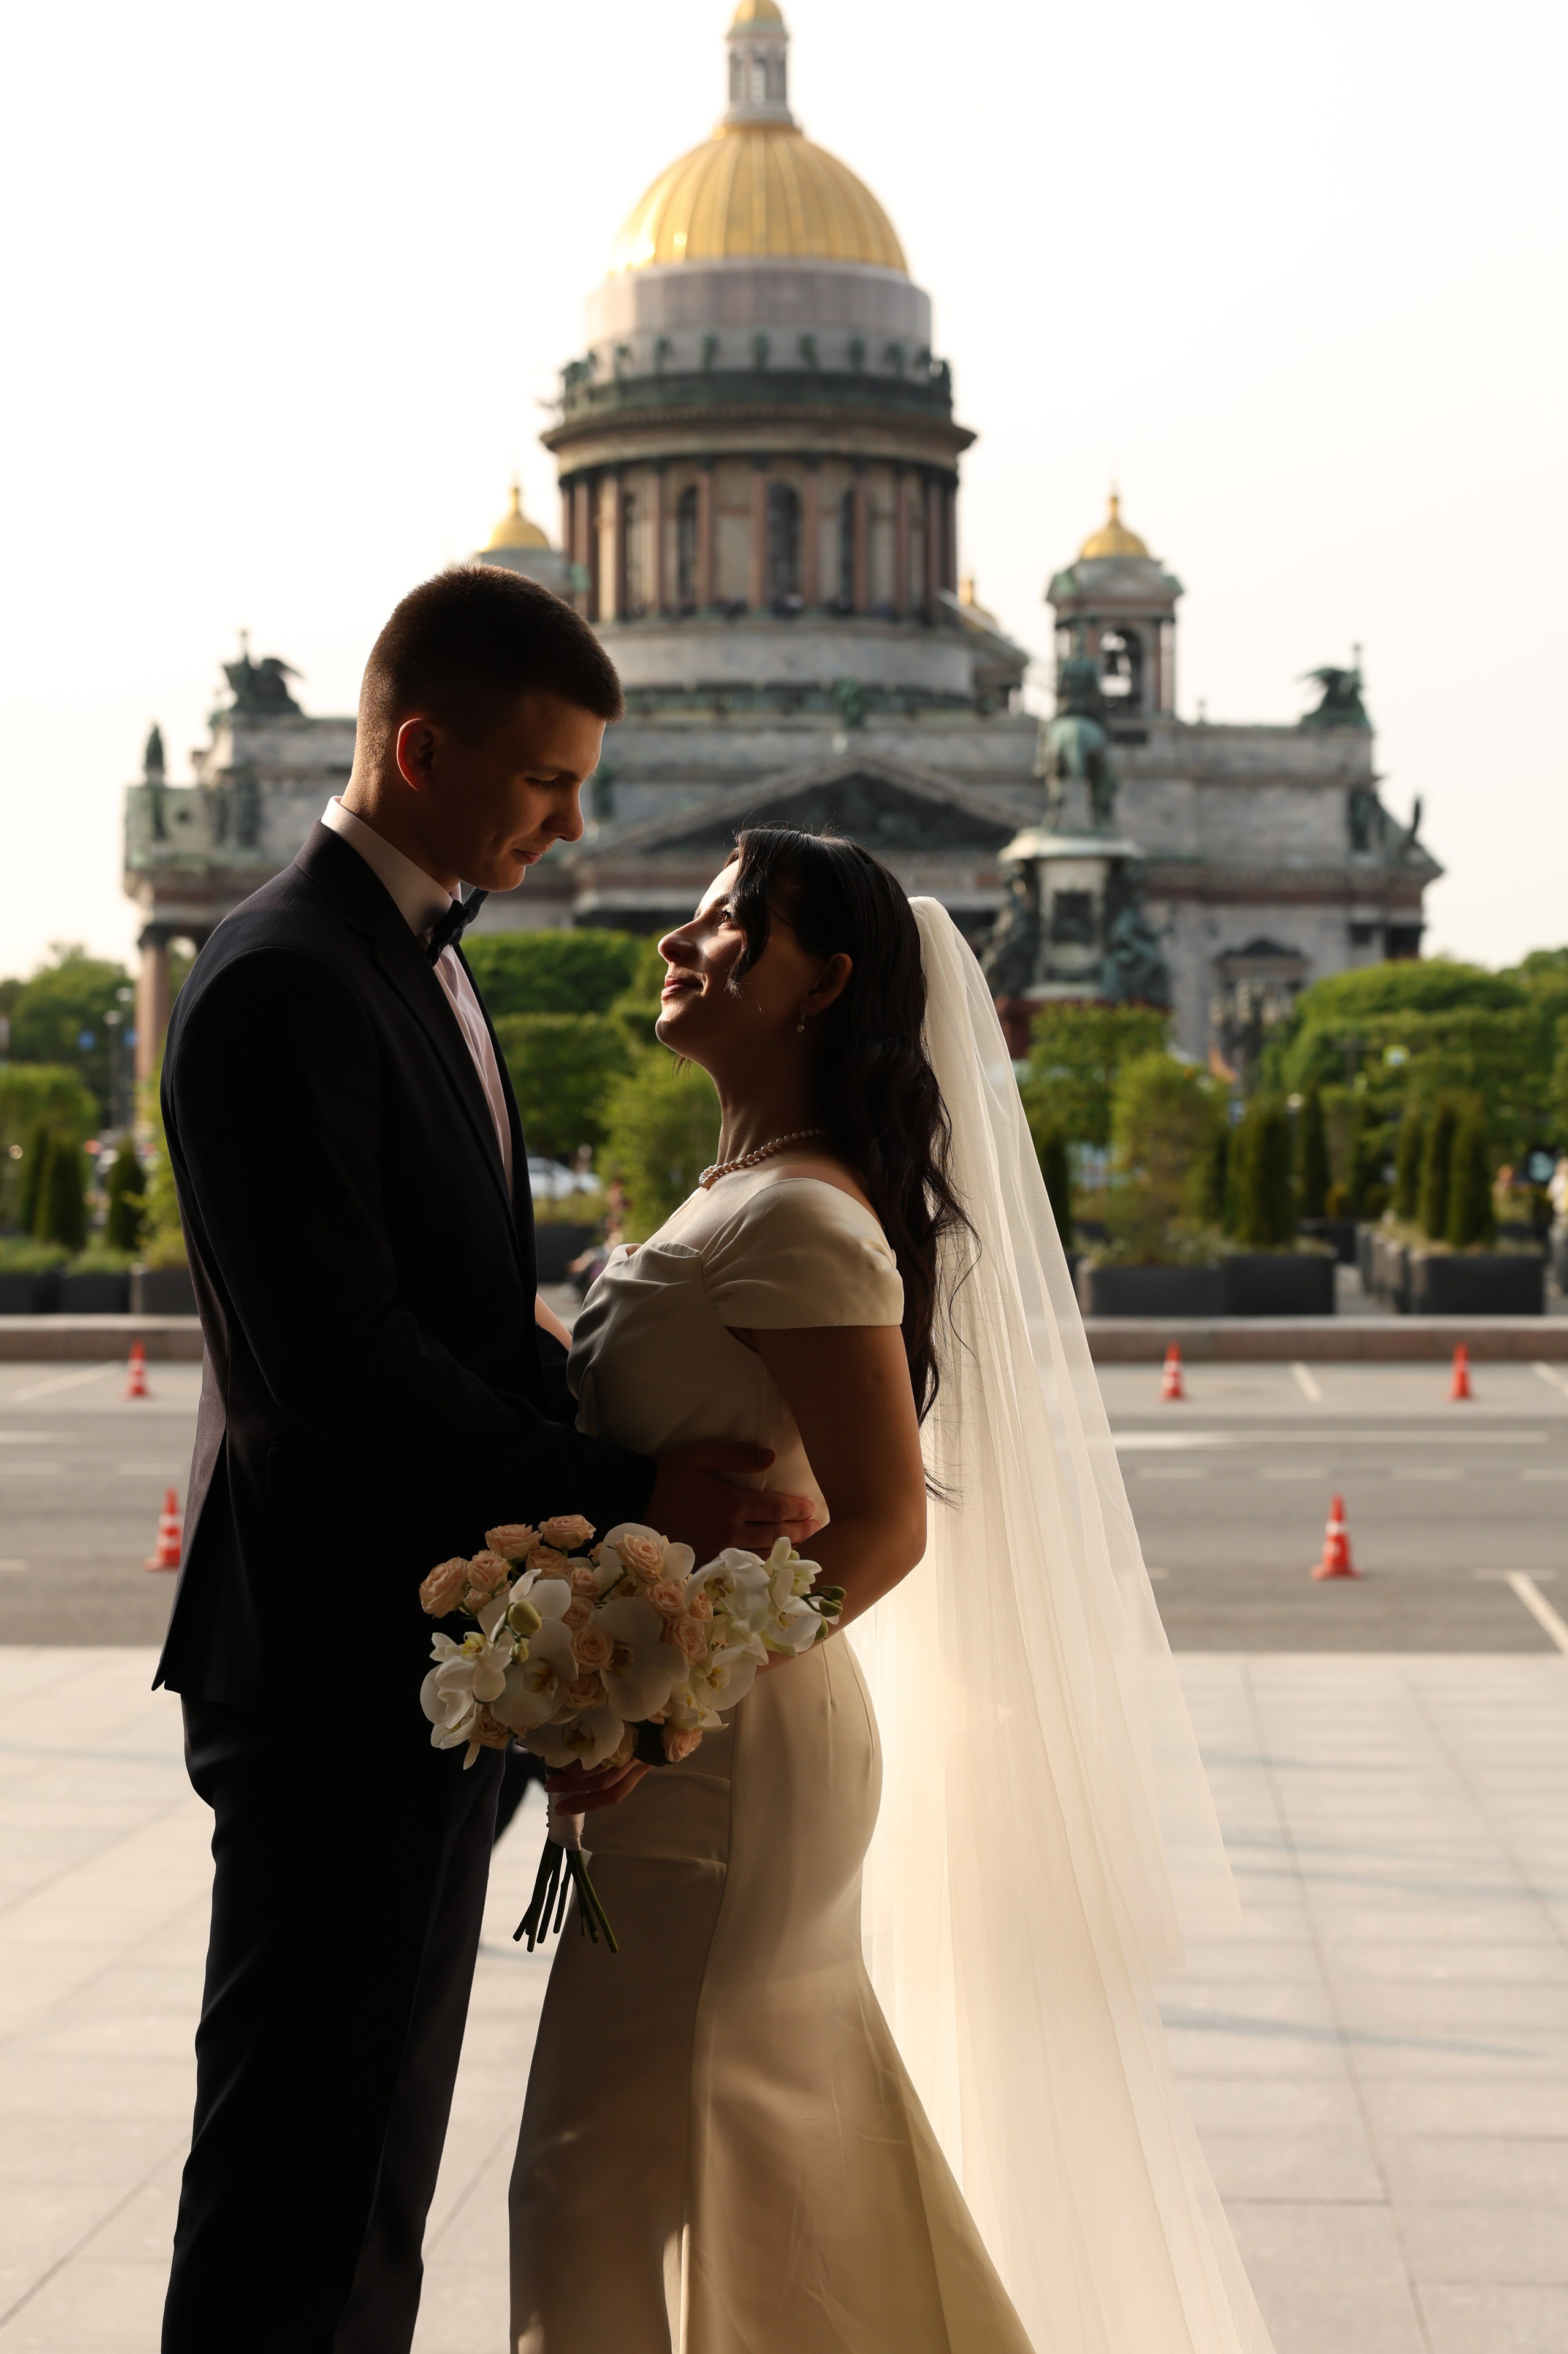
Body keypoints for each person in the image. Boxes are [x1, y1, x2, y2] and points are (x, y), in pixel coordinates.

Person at [154, 568, 816, 2354]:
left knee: (361, 2164)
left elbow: (452, 1314)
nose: (579, 825)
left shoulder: (401, 957)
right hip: (334, 1672)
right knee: (303, 2176)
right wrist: (630, 1504)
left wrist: (592, 1568)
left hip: (409, 1662)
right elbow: (339, 1370)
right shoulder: (292, 977)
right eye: (546, 785)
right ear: (420, 745)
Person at [510, 829, 1274, 2354]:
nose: (679, 939)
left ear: (825, 982)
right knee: (756, 2165)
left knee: (604, 2183)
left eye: (729, 922)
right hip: (704, 1742)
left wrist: (660, 1704)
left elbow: (875, 1523)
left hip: (726, 1756)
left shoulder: (798, 1213)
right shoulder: (747, 1187)